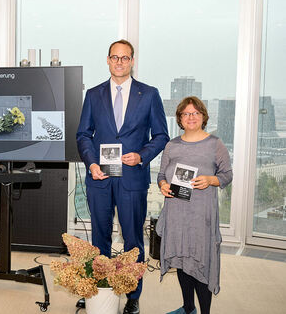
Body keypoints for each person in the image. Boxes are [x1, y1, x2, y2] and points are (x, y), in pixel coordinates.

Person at [76, 39, 169, 314]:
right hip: (100, 178)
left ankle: (132, 294)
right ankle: (98, 287)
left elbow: (161, 135)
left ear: (132, 61)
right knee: (99, 237)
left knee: (132, 239)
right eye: (115, 57)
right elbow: (83, 134)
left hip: (132, 178)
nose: (119, 62)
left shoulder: (149, 94)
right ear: (107, 60)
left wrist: (141, 155)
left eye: (125, 58)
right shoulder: (93, 94)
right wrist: (92, 163)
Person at [156, 96, 233, 314]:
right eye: (186, 114)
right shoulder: (171, 145)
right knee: (181, 259)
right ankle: (188, 308)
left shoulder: (214, 144)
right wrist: (162, 184)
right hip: (176, 212)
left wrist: (210, 180)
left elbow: (227, 175)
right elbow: (161, 174)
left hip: (201, 216)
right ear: (180, 118)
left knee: (200, 262)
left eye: (196, 113)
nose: (191, 117)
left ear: (203, 117)